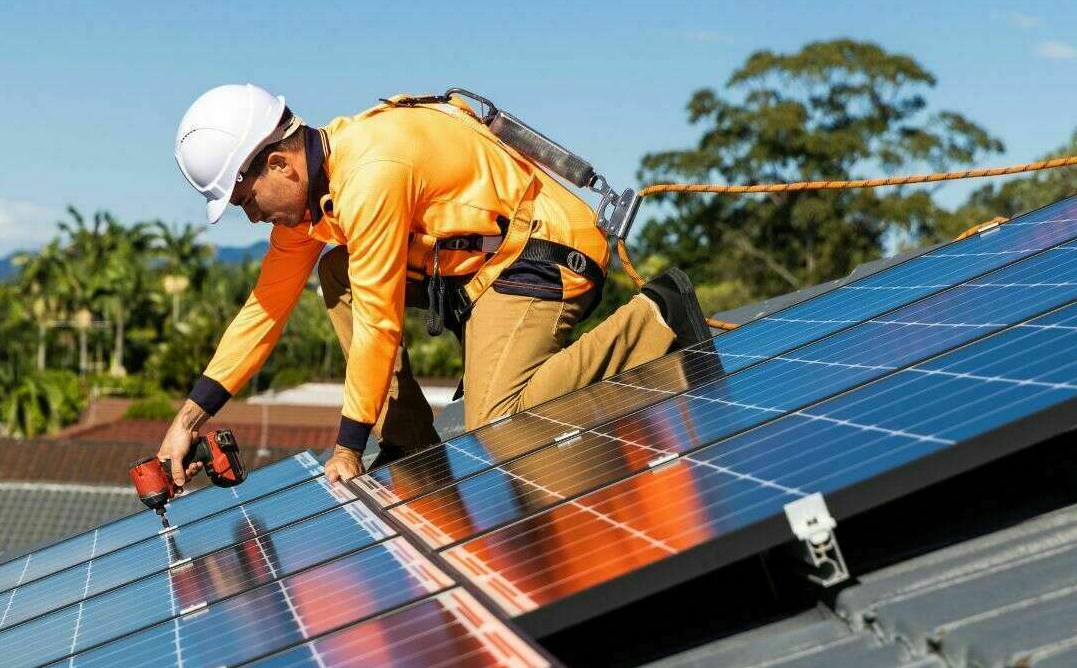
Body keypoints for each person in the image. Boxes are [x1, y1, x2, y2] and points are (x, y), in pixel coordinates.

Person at [157, 83, 710, 485]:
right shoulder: (312, 205)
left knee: (500, 421)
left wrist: (348, 446)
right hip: (479, 273)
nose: (252, 217)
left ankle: (657, 316)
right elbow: (264, 310)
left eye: (246, 199)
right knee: (336, 270)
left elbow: (379, 320)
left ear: (280, 165)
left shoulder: (371, 173)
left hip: (542, 254)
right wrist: (188, 420)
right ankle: (408, 442)